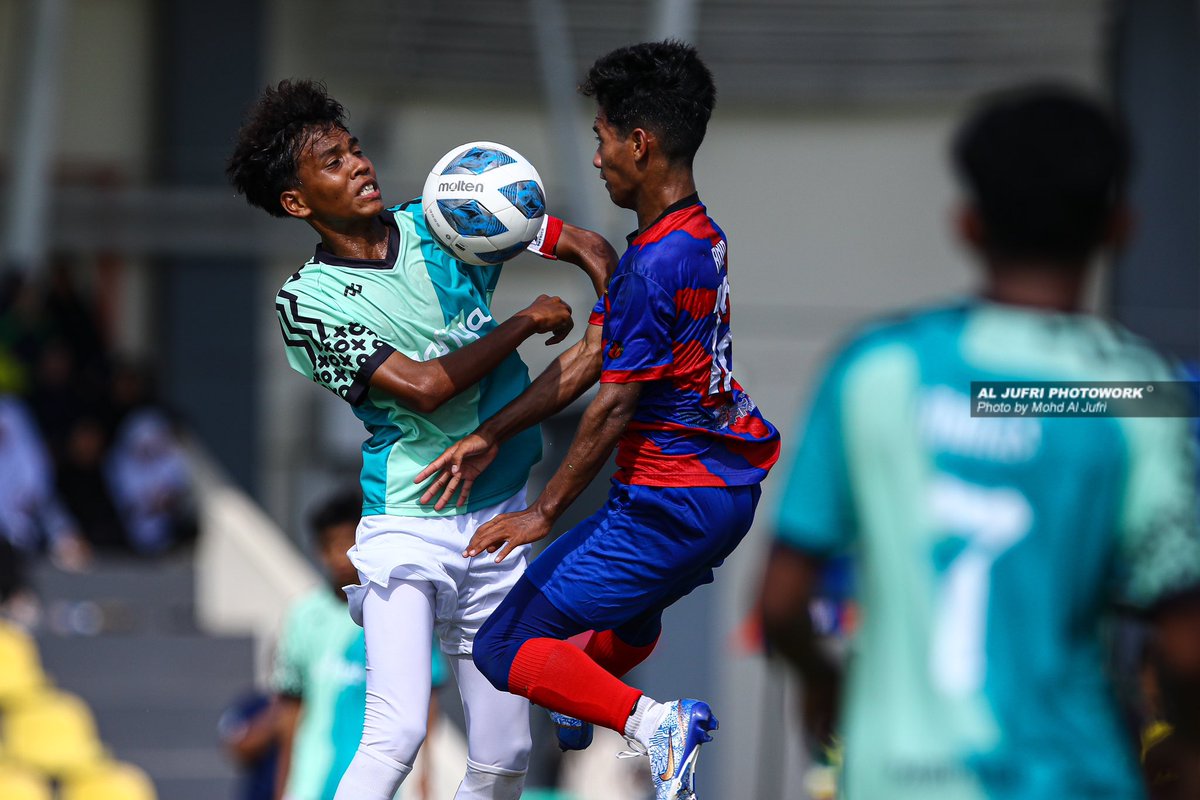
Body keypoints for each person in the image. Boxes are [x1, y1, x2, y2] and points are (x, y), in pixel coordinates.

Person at [757, 84, 1200, 800]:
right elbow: (1184, 644)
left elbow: (781, 602)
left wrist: (820, 682)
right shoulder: (1135, 389)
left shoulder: (876, 369)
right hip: (1070, 779)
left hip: (895, 780)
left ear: (966, 224)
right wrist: (1187, 747)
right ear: (1119, 227)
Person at [226, 79, 616, 800]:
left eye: (355, 150)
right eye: (334, 163)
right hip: (408, 521)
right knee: (397, 733)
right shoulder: (304, 303)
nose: (360, 165)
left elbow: (588, 245)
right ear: (296, 202)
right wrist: (526, 321)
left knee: (503, 755)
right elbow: (426, 386)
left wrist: (607, 295)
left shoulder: (445, 220)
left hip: (500, 518)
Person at [417, 41, 781, 800]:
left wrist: (543, 512)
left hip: (665, 504)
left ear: (639, 143)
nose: (596, 158)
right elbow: (589, 361)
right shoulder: (692, 237)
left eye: (601, 138)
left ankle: (654, 724)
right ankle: (580, 698)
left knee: (504, 647)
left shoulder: (650, 267)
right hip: (721, 493)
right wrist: (494, 431)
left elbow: (611, 400)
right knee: (629, 618)